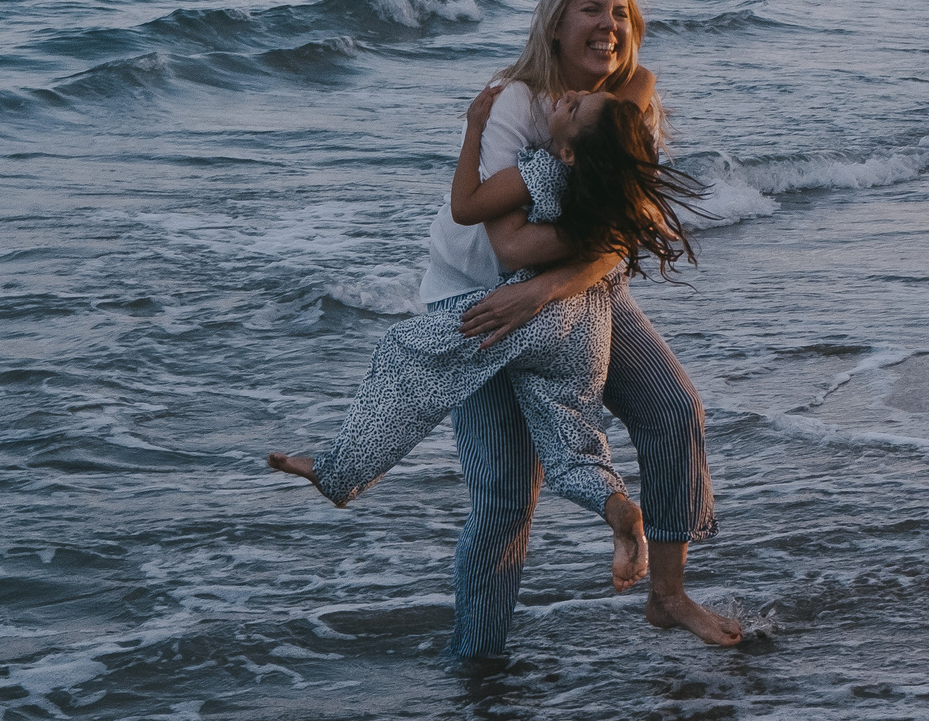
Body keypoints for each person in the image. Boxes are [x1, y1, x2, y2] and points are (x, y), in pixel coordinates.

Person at [265, 87, 698, 595]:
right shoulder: (610, 200)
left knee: (407, 355)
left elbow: (466, 207)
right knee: (569, 437)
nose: (572, 96)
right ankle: (615, 506)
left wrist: (474, 127)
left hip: (528, 315)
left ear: (570, 153)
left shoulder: (544, 170)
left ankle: (338, 471)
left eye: (576, 107)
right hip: (587, 325)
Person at [428, 0, 742, 660]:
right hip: (476, 299)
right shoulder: (517, 103)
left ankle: (667, 595)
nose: (609, 25)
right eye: (592, 10)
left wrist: (547, 288)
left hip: (568, 287)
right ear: (556, 23)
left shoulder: (624, 114)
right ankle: (478, 668)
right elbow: (504, 239)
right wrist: (559, 268)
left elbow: (624, 233)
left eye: (621, 14)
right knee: (507, 499)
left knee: (673, 407)